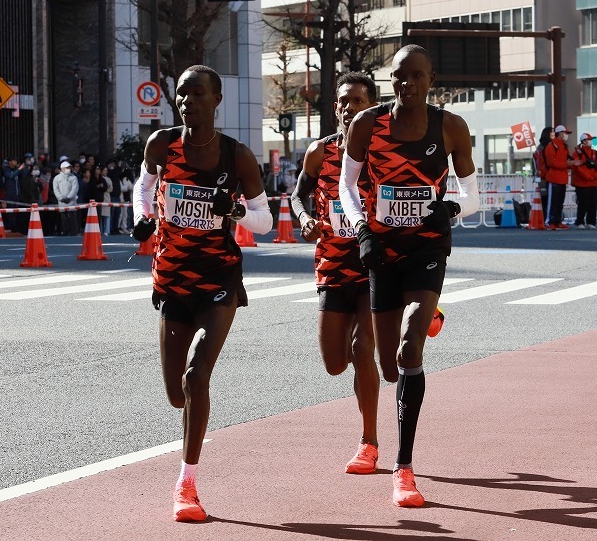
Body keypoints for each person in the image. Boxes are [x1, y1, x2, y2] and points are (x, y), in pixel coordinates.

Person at [338, 45, 479, 507]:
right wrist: (361, 229)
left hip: (427, 248)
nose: (407, 84)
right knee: (387, 367)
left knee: (408, 348)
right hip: (382, 250)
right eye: (399, 76)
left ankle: (403, 468)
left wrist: (452, 207)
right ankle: (426, 314)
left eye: (416, 76)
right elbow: (346, 184)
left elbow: (473, 194)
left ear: (430, 79)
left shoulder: (450, 127)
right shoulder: (366, 125)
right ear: (390, 80)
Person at [131, 65, 273, 522]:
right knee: (177, 394)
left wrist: (232, 210)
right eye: (181, 95)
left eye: (197, 94)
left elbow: (264, 222)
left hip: (219, 278)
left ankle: (186, 484)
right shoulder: (162, 144)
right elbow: (143, 186)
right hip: (172, 278)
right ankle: (188, 454)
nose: (188, 102)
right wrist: (142, 217)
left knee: (196, 376)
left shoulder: (237, 157)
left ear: (217, 100)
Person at [289, 71, 382, 474]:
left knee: (364, 351)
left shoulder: (385, 153)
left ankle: (369, 441)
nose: (348, 108)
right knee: (334, 362)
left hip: (375, 266)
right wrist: (304, 217)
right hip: (332, 266)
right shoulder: (320, 152)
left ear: (372, 107)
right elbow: (297, 195)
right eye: (343, 101)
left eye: (357, 101)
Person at [542, 125, 580, 230]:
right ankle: (549, 222)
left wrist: (575, 163)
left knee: (559, 202)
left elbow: (566, 161)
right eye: (565, 133)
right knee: (552, 202)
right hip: (553, 178)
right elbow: (551, 163)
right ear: (560, 133)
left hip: (562, 179)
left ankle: (557, 221)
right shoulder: (551, 146)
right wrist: (569, 164)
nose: (566, 135)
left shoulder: (564, 147)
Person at [572, 133, 597, 229]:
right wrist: (589, 176)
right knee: (582, 203)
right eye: (589, 140)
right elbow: (579, 167)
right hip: (581, 183)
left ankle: (591, 222)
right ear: (583, 141)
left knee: (593, 203)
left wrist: (595, 176)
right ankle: (580, 222)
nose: (591, 141)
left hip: (593, 183)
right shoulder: (577, 153)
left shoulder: (595, 153)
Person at [52, 160, 79, 235]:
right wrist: (61, 198)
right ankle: (65, 233)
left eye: (69, 167)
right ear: (62, 168)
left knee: (73, 220)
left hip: (72, 203)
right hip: (62, 203)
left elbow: (75, 189)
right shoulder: (57, 178)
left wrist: (69, 197)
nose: (69, 169)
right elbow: (56, 189)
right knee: (64, 221)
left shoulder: (73, 178)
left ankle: (74, 233)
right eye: (67, 167)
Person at [533, 126, 553, 206]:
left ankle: (544, 217)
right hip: (548, 178)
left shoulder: (538, 149)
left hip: (541, 178)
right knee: (549, 203)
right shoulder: (547, 148)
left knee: (544, 202)